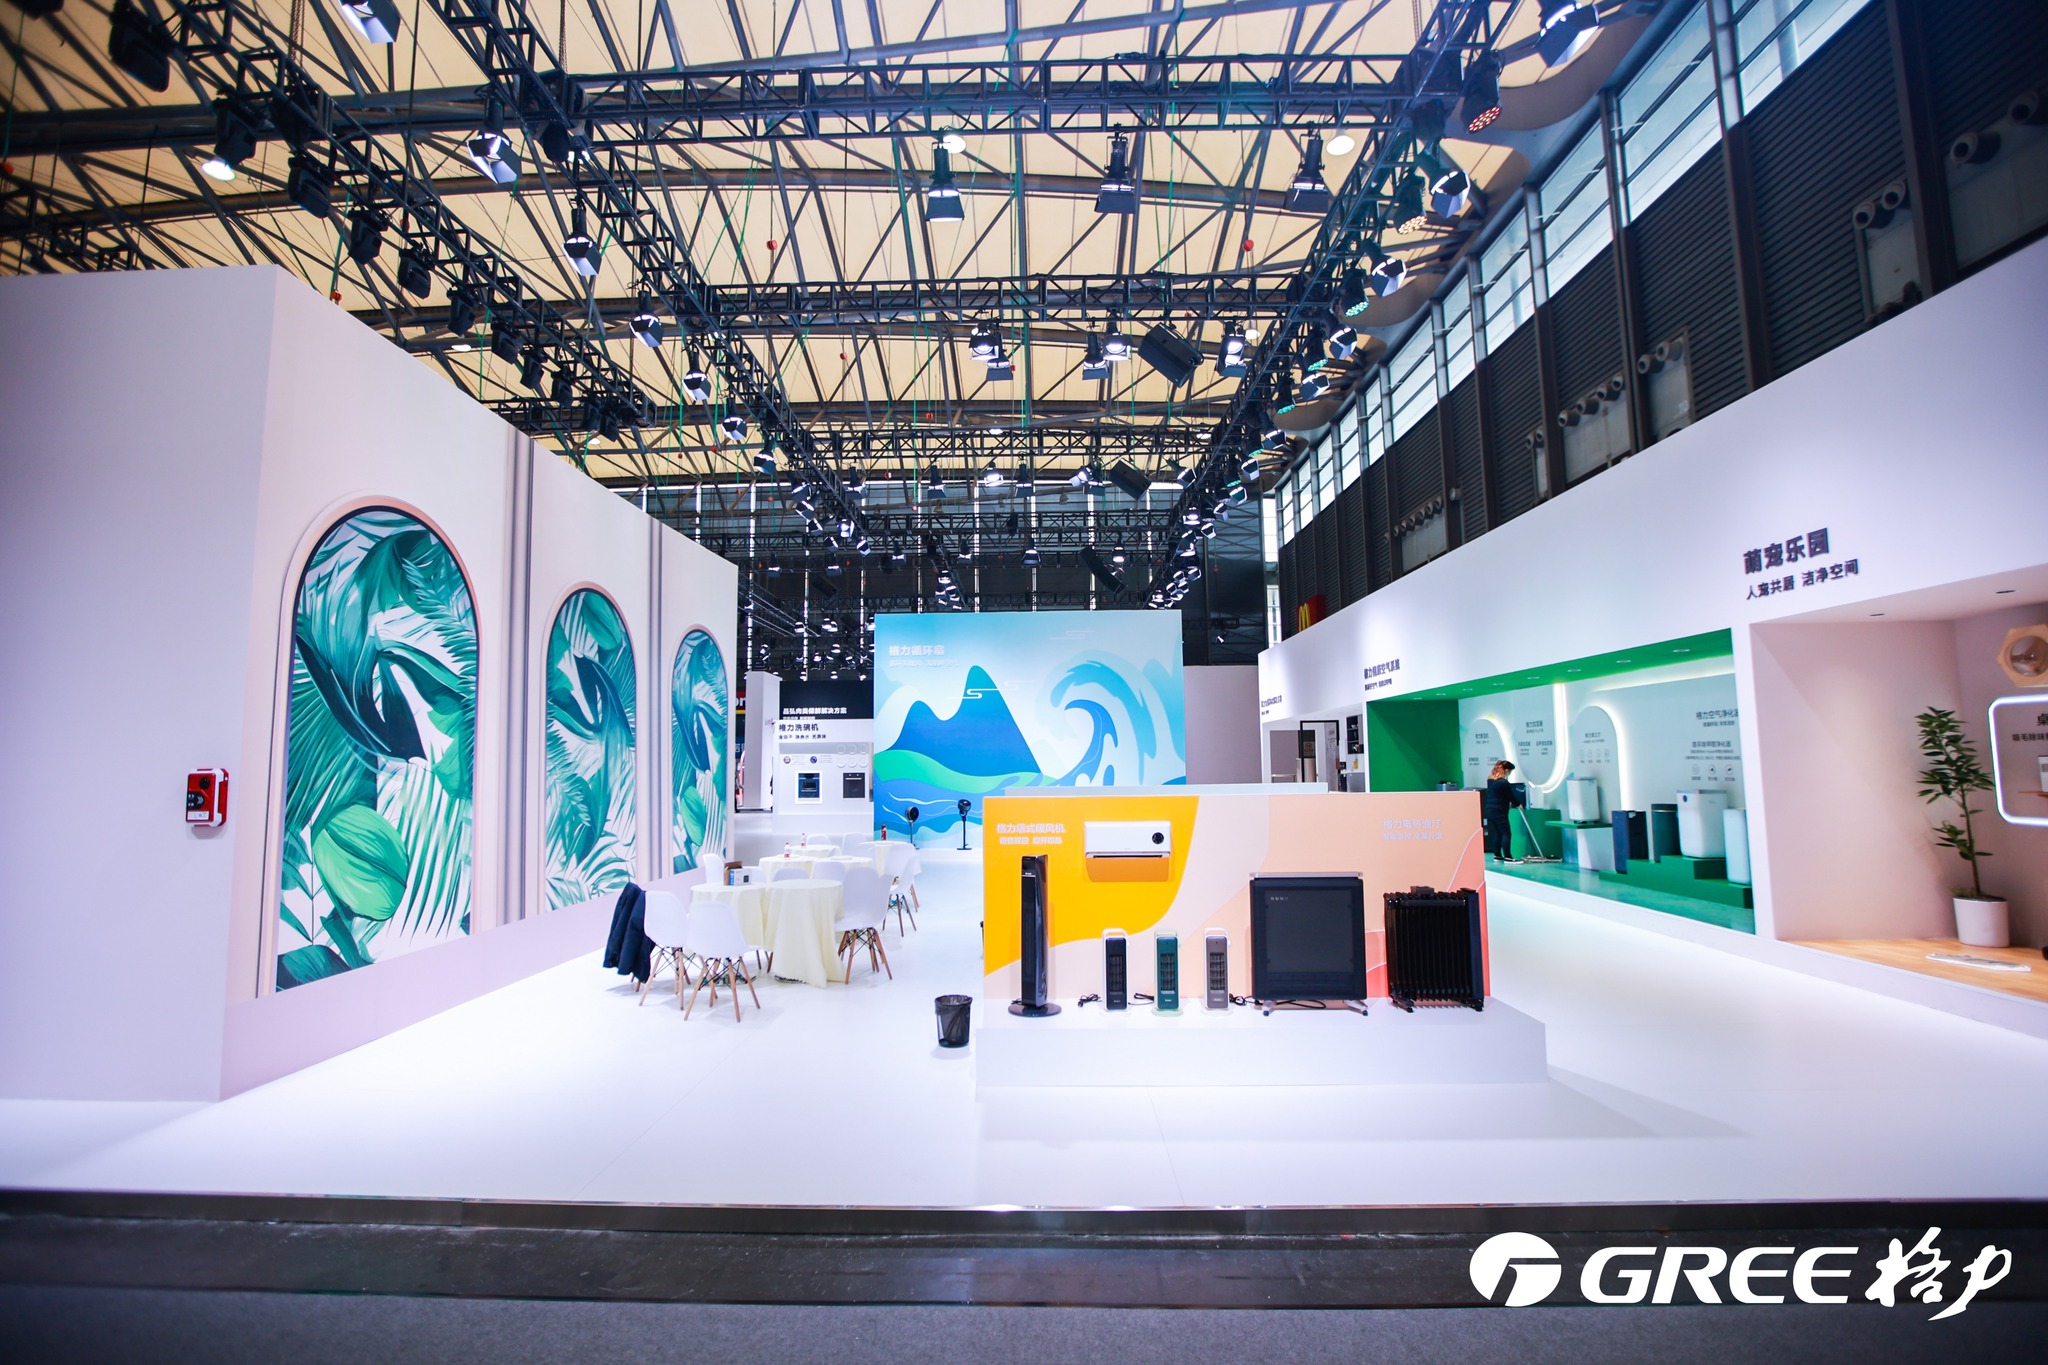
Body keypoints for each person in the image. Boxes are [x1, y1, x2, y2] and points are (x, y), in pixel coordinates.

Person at [1481, 760, 1524, 864]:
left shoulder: (1490, 780)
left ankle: (1497, 855)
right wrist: (1518, 804)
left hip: (1489, 809)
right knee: (1506, 833)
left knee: (1498, 833)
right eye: (1510, 772)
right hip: (1499, 811)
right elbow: (1511, 796)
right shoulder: (1503, 783)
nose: (1510, 774)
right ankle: (1508, 857)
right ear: (1506, 770)